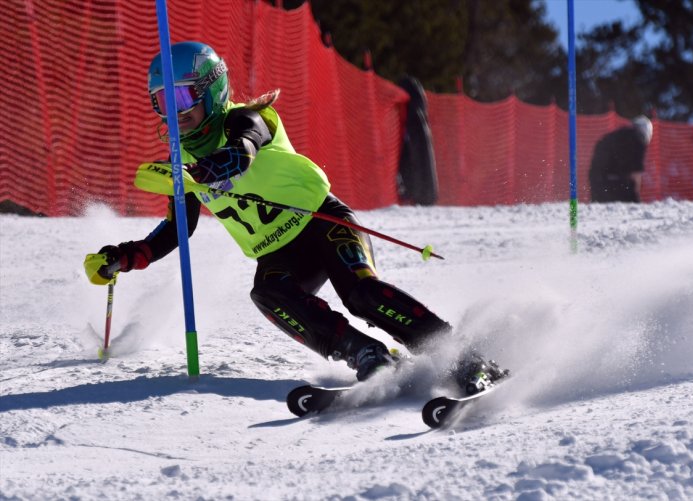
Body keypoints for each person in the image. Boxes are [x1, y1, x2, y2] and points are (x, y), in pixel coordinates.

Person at [83, 41, 505, 390]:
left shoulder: (249, 117)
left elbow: (244, 149)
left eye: (180, 96)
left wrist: (207, 169)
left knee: (361, 294)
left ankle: (461, 356)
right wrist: (125, 256)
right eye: (160, 101)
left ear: (211, 90)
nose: (172, 110)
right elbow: (178, 229)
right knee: (267, 291)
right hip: (280, 251)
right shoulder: (184, 160)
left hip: (324, 222)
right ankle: (366, 354)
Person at [589, 115, 653, 203]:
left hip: (597, 181)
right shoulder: (638, 140)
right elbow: (636, 173)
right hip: (619, 184)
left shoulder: (616, 135)